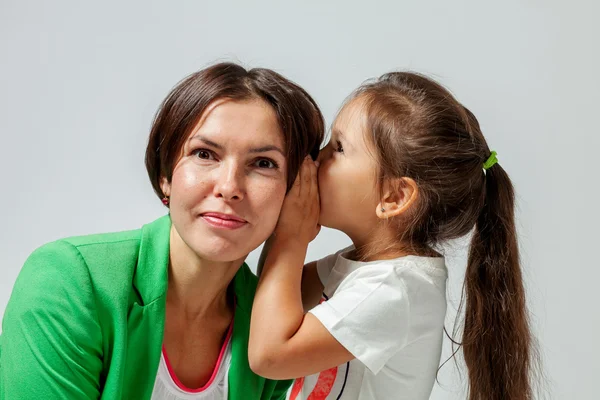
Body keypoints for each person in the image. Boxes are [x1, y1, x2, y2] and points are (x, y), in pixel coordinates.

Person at [0, 62, 324, 400]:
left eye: (263, 163)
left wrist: (291, 240)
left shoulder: (270, 330)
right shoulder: (67, 280)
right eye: (204, 154)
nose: (229, 187)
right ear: (165, 175)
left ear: (296, 191)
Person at [249, 72, 535, 400]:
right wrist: (284, 222)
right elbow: (274, 298)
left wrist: (291, 239)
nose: (318, 158)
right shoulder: (365, 268)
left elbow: (269, 355)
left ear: (394, 197)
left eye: (339, 148)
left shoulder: (395, 287)